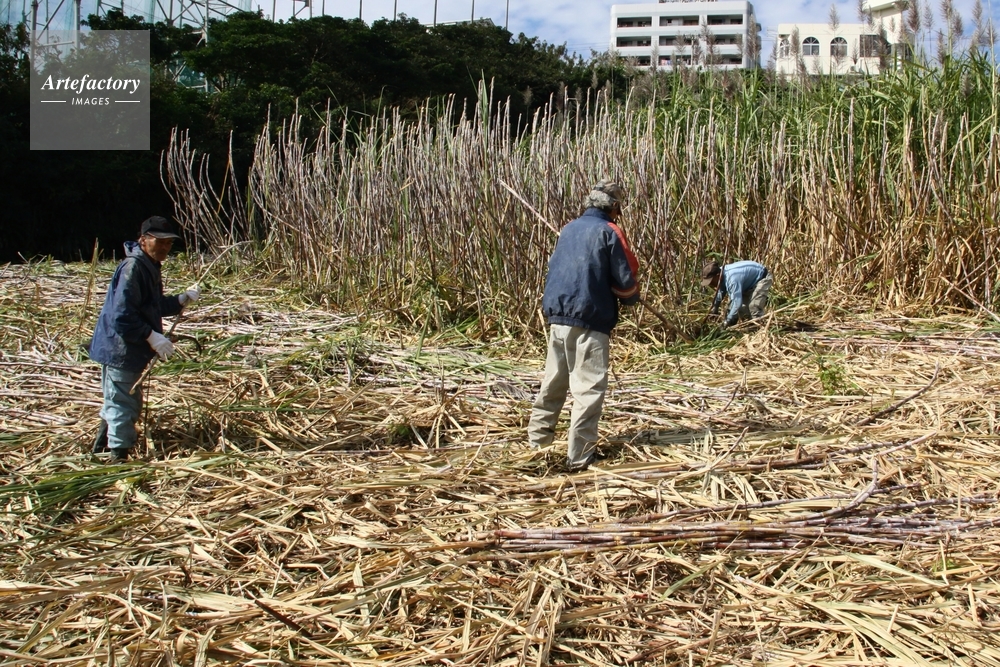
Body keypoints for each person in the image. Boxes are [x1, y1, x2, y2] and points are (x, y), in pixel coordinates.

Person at [527, 180, 640, 471]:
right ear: (614, 207)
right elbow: (625, 280)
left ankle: (538, 444)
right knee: (588, 389)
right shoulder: (610, 231)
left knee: (553, 382)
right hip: (590, 319)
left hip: (558, 317)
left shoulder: (568, 229)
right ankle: (580, 456)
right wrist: (631, 297)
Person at [88, 216, 201, 461]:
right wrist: (151, 336)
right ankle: (118, 458)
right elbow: (122, 316)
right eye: (159, 242)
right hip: (120, 349)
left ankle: (100, 447)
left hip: (129, 349)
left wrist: (180, 300)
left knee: (118, 398)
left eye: (169, 243)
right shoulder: (134, 268)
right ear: (143, 240)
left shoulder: (149, 266)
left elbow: (152, 305)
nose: (165, 247)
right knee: (123, 403)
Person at [701, 259, 772, 328]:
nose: (711, 284)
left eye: (711, 281)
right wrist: (715, 307)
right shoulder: (720, 273)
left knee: (753, 307)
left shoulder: (732, 280)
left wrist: (727, 321)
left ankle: (759, 329)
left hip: (761, 278)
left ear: (718, 275)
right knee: (733, 310)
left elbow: (737, 303)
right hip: (748, 283)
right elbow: (721, 291)